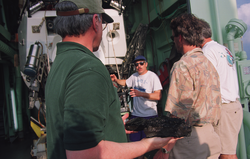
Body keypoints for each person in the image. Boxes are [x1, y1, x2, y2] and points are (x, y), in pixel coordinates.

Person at [45, 0, 173, 159]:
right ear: (95, 21)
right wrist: (153, 143)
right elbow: (85, 154)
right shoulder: (88, 68)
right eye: (103, 23)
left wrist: (113, 124)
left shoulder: (60, 63)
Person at [160, 13, 222, 159]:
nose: (174, 41)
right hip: (212, 138)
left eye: (173, 37)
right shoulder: (209, 64)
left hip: (190, 141)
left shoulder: (182, 65)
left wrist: (165, 149)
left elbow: (178, 114)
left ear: (180, 37)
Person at [200, 19, 243, 159]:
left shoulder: (207, 51)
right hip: (233, 105)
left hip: (223, 108)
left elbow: (207, 83)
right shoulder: (223, 49)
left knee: (227, 155)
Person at [110, 55, 163, 142]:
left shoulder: (153, 76)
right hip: (136, 115)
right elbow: (125, 82)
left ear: (146, 64)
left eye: (141, 63)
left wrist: (141, 94)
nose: (139, 66)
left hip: (150, 115)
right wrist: (116, 80)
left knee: (150, 142)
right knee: (135, 141)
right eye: (136, 64)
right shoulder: (134, 76)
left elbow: (158, 96)